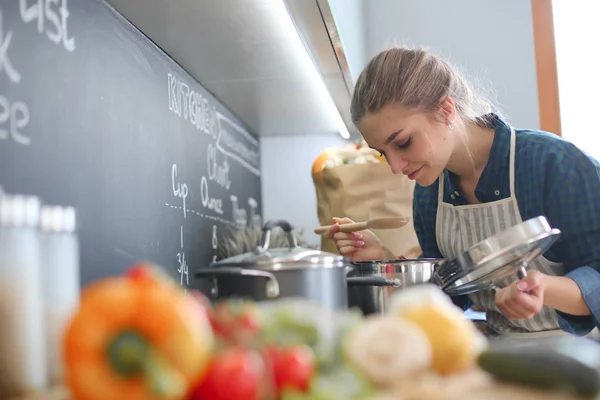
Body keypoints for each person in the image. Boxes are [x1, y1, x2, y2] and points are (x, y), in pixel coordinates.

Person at [324, 47, 600, 339]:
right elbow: (447, 295)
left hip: (581, 356)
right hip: (500, 355)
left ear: (446, 110)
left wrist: (544, 289)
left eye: (403, 143)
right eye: (382, 153)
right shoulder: (431, 193)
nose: (395, 167)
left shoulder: (554, 164)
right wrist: (384, 260)